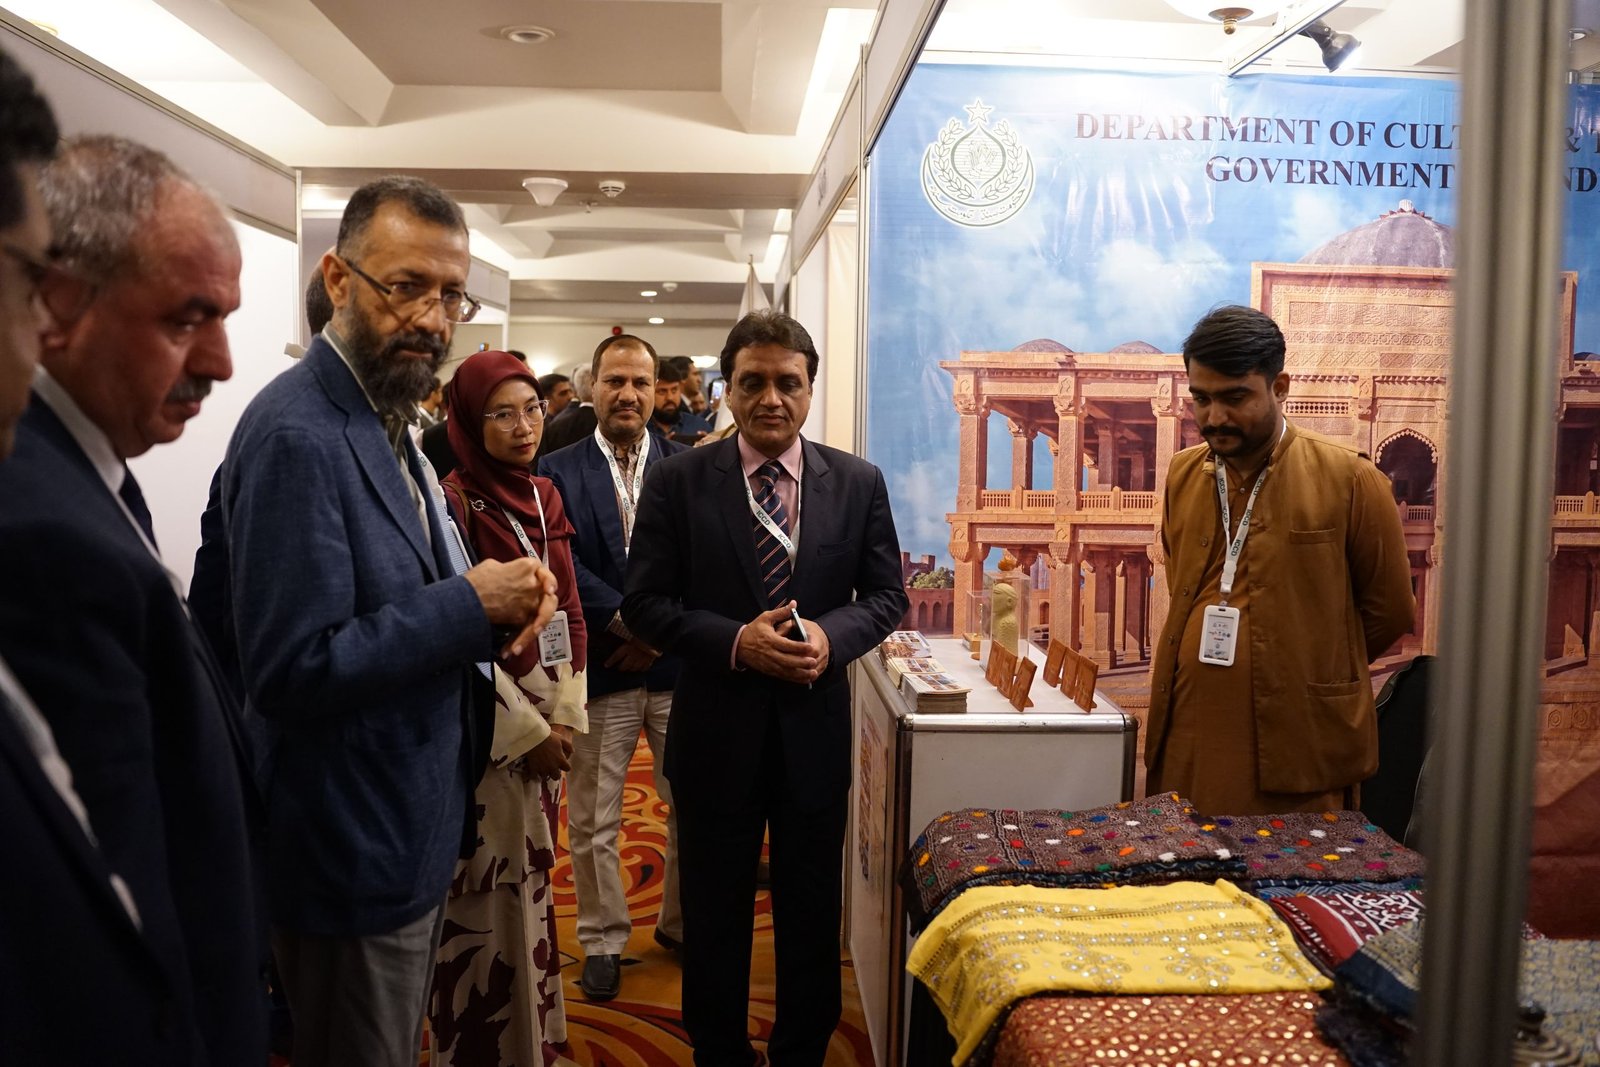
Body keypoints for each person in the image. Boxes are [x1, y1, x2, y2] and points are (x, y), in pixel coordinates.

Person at [215, 175, 558, 1067]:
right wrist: (470, 604)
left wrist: (495, 609)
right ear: (338, 278)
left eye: (451, 295)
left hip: (408, 819)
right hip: (348, 846)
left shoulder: (383, 412)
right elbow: (292, 666)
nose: (433, 319)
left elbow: (408, 592)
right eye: (406, 286)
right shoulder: (298, 434)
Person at [0, 133, 266, 1064]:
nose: (222, 362)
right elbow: (114, 913)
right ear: (58, 304)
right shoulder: (43, 530)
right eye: (189, 319)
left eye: (225, 318)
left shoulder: (92, 468)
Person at [622, 309, 908, 1065]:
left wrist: (831, 636)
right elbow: (643, 604)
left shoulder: (857, 483)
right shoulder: (679, 480)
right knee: (713, 916)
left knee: (811, 914)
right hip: (716, 735)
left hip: (815, 736)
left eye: (788, 382)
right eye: (752, 382)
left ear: (811, 388)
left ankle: (800, 1051)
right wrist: (735, 642)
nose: (771, 398)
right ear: (727, 388)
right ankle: (718, 1051)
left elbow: (886, 596)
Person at [1147, 305, 1414, 815]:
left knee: (1289, 865)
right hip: (1189, 732)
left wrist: (1305, 664)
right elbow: (1183, 577)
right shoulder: (1183, 474)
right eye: (1201, 399)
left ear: (1280, 386)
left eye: (1235, 398)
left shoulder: (1349, 479)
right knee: (1188, 857)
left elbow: (1390, 612)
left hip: (1299, 742)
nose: (1214, 418)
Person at [429, 350, 587, 1066]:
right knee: (488, 896)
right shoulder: (452, 506)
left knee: (533, 886)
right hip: (492, 735)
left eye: (532, 409)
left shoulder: (544, 495)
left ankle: (535, 1043)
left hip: (551, 722)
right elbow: (456, 642)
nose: (524, 427)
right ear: (468, 420)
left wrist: (567, 714)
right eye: (502, 413)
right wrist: (528, 732)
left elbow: (571, 611)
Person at [539, 332, 686, 1003]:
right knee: (595, 818)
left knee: (692, 804)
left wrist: (655, 636)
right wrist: (632, 626)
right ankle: (600, 939)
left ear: (655, 391)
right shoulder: (556, 470)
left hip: (676, 667)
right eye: (615, 381)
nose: (628, 394)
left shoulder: (688, 467)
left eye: (640, 382)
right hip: (601, 665)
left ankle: (679, 924)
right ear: (592, 387)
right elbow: (561, 563)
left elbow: (703, 560)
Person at [540, 360, 600, 455]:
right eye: (563, 393)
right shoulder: (545, 426)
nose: (570, 396)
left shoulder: (559, 424)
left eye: (570, 391)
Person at [651, 355, 711, 444]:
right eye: (662, 391)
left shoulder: (700, 425)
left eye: (674, 390)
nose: (670, 397)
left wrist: (709, 447)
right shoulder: (640, 429)